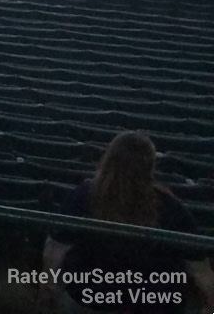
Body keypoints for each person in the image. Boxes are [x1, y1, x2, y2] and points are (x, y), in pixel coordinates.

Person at [44, 131, 214, 310]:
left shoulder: (83, 195)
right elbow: (200, 270)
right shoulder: (170, 206)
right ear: (150, 166)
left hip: (91, 298)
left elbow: (54, 251)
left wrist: (48, 291)